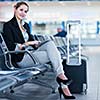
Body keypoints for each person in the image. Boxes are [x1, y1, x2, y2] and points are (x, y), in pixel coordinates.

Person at [3, 1, 75, 99]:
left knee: (50, 44)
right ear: (15, 9)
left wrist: (36, 43)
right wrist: (27, 44)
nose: (23, 13)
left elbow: (32, 40)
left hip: (32, 53)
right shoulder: (8, 26)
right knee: (54, 56)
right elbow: (11, 47)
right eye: (21, 10)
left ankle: (61, 78)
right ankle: (63, 83)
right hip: (21, 57)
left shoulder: (26, 25)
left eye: (25, 11)